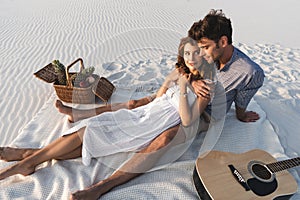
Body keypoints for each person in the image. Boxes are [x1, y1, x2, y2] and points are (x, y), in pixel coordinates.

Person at [0, 37, 214, 200]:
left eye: (195, 54)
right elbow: (159, 97)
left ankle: (28, 160)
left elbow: (187, 120)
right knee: (92, 128)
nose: (191, 59)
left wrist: (185, 89)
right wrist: (173, 82)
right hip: (146, 114)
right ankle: (28, 160)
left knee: (95, 132)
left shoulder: (205, 87)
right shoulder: (178, 72)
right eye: (187, 54)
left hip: (157, 124)